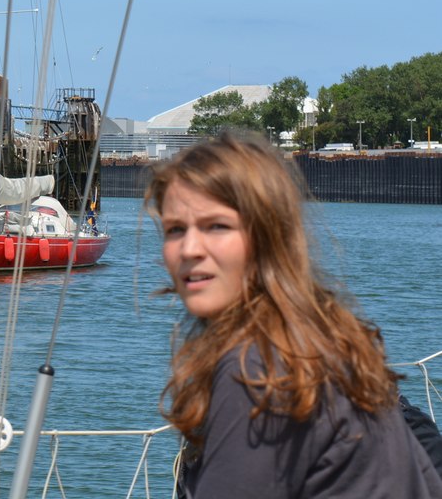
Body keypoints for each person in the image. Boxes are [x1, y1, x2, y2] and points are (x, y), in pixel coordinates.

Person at [146, 131, 442, 498]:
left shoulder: (258, 371)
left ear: (268, 236)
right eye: (175, 229)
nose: (189, 248)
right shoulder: (324, 340)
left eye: (217, 226)